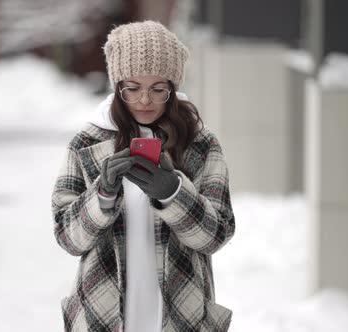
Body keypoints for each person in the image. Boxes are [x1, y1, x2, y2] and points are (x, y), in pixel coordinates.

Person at [51, 20, 235, 332]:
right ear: (117, 86)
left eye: (158, 89)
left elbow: (215, 235)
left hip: (181, 315)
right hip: (102, 315)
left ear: (173, 88)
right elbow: (68, 238)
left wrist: (174, 193)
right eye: (132, 88)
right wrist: (103, 195)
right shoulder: (87, 144)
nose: (145, 100)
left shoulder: (201, 145)